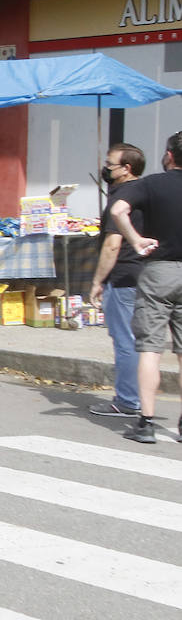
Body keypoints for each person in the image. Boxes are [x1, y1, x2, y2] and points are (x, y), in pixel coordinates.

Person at [109, 130, 182, 444]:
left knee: (151, 348)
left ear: (169, 155)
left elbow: (117, 210)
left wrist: (135, 238)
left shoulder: (151, 184)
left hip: (159, 271)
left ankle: (146, 422)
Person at [89, 142, 147, 416]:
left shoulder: (122, 199)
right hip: (147, 276)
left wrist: (97, 281)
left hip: (124, 275)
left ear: (127, 169)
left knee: (125, 340)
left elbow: (112, 245)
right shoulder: (149, 192)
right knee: (145, 342)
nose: (106, 169)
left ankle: (127, 400)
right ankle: (141, 397)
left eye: (110, 165)